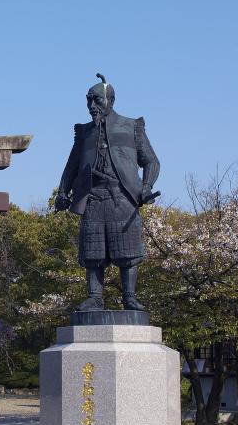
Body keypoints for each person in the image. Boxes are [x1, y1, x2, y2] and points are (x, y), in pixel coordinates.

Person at [55, 73, 160, 311]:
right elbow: (72, 165)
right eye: (89, 100)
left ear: (110, 100)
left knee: (128, 251)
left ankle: (129, 297)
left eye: (97, 100)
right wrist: (63, 191)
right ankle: (95, 297)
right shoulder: (84, 132)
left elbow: (152, 161)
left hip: (122, 197)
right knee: (93, 252)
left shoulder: (131, 127)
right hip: (92, 197)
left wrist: (146, 187)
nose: (92, 106)